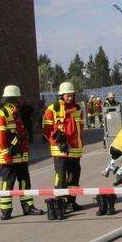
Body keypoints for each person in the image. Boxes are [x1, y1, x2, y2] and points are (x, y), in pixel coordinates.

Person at [0, 85, 43, 220]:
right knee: (8, 183)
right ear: (14, 99)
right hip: (9, 155)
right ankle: (5, 210)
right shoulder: (1, 113)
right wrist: (5, 153)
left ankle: (28, 207)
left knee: (25, 182)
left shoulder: (16, 113)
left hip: (20, 154)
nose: (19, 101)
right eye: (17, 99)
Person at [43, 81, 85, 217]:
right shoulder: (53, 109)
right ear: (61, 95)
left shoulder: (78, 109)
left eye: (72, 95)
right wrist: (57, 141)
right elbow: (46, 129)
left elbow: (81, 128)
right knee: (61, 176)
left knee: (74, 176)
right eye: (67, 95)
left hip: (75, 148)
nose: (70, 98)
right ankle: (60, 203)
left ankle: (72, 202)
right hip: (60, 149)